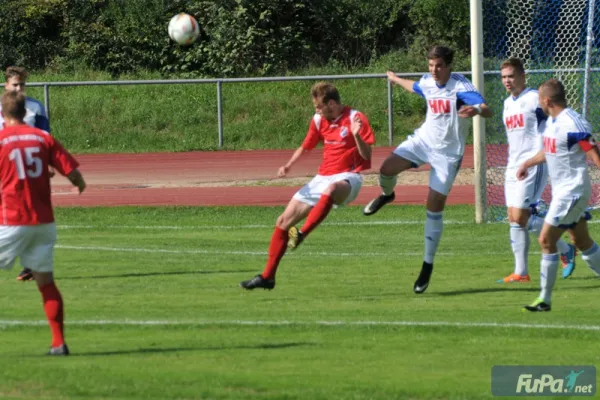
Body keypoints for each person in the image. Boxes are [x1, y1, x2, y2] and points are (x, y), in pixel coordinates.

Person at [362, 45, 493, 294]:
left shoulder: (461, 88)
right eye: (431, 65)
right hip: (422, 143)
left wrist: (476, 109)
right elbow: (416, 86)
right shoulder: (427, 81)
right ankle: (387, 195)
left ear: (449, 66)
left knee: (433, 207)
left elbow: (487, 109)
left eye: (439, 66)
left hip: (447, 155)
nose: (434, 70)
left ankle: (427, 265)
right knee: (386, 169)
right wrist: (394, 78)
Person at [240, 81, 375, 290]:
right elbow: (306, 145)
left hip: (350, 177)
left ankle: (302, 233)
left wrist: (356, 135)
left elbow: (367, 156)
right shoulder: (319, 120)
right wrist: (288, 165)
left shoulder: (355, 118)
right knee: (283, 221)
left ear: (331, 103)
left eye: (319, 107)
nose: (317, 111)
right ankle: (268, 277)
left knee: (331, 190)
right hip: (322, 177)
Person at [0, 90, 86, 354]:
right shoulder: (43, 137)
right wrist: (78, 185)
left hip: (11, 219)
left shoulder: (1, 140)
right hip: (43, 222)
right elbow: (72, 172)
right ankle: (58, 343)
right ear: (25, 112)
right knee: (46, 283)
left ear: (2, 114)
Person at [517, 79, 600, 312]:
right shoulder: (553, 123)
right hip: (563, 193)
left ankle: (544, 299)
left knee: (546, 239)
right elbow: (550, 150)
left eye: (539, 100)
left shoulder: (573, 123)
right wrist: (528, 163)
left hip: (572, 192)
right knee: (582, 241)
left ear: (546, 100)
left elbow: (593, 153)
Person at [498, 58, 577, 283]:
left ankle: (563, 247)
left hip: (534, 163)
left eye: (511, 76)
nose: (507, 81)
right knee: (514, 219)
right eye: (503, 77)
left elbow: (559, 116)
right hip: (513, 165)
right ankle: (521, 272)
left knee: (521, 216)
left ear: (523, 76)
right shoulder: (507, 103)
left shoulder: (534, 99)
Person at [0, 66, 52, 281]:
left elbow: (45, 136)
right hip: (4, 166)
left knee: (24, 215)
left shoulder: (35, 108)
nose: (19, 88)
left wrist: (47, 163)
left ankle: (30, 263)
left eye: (22, 84)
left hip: (22, 171)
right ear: (6, 85)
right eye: (15, 84)